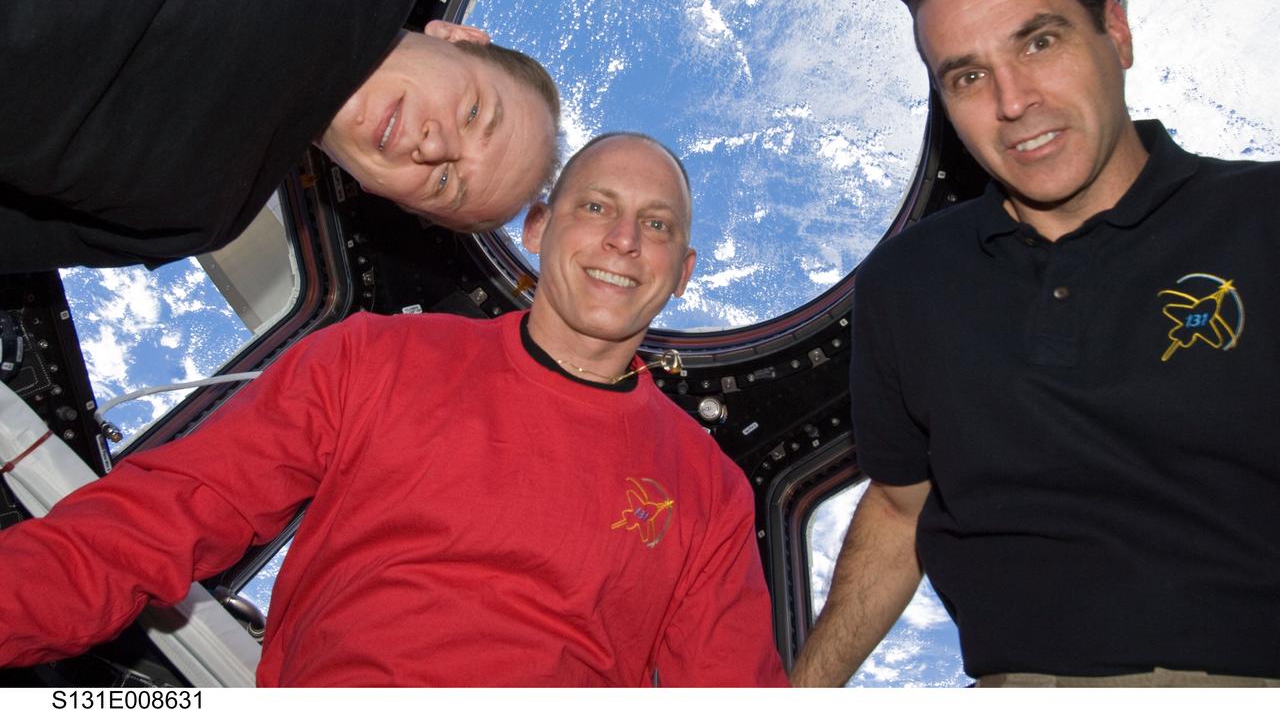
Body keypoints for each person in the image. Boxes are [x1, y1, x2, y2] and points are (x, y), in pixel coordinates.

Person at [0, 133, 789, 687]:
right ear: (540, 226)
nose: (624, 240)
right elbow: (157, 521)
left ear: (680, 271)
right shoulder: (372, 357)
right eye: (597, 208)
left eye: (656, 225)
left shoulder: (707, 491)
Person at [791, 0, 1280, 687]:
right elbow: (898, 509)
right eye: (968, 76)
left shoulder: (1262, 217)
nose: (1013, 101)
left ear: (1115, 33)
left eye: (1038, 42)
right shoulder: (906, 282)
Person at [0, 0, 558, 275]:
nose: (433, 146)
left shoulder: (195, 220)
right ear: (457, 38)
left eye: (443, 185)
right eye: (474, 114)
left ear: (384, 196)